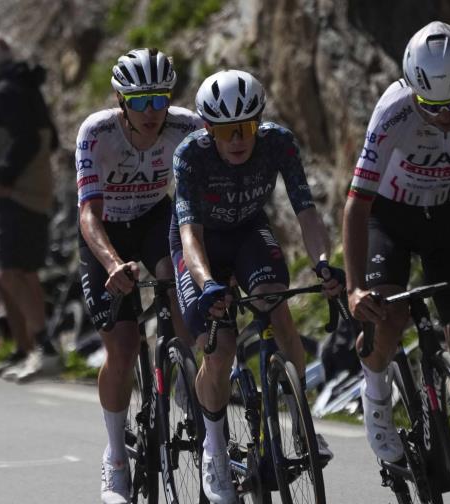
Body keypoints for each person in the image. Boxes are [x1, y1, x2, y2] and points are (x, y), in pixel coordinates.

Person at [342, 21, 450, 502]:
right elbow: (357, 205)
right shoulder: (393, 111)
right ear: (412, 89)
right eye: (431, 107)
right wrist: (355, 288)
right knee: (386, 314)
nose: (446, 117)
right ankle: (376, 398)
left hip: (448, 217)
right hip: (388, 218)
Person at [171, 69, 343, 503]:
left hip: (248, 230)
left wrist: (324, 264)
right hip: (202, 242)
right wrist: (208, 283)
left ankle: (301, 422)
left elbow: (306, 212)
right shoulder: (191, 154)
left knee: (277, 307)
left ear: (258, 122)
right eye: (226, 131)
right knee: (221, 343)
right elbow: (189, 234)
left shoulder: (278, 143)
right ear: (208, 128)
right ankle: (213, 447)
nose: (237, 139)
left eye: (246, 127)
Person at [75, 48, 200, 504]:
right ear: (120, 100)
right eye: (140, 102)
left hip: (154, 220)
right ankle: (115, 458)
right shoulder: (97, 131)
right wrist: (112, 265)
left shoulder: (187, 125)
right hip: (107, 233)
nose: (152, 113)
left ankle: (186, 376)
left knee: (178, 288)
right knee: (124, 348)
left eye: (160, 100)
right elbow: (89, 214)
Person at [0, 31, 61, 381]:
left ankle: (43, 347)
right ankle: (29, 349)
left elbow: (31, 140)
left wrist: (2, 181)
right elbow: (48, 137)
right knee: (21, 273)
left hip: (18, 196)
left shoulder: (7, 91)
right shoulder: (19, 87)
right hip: (23, 195)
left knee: (10, 272)